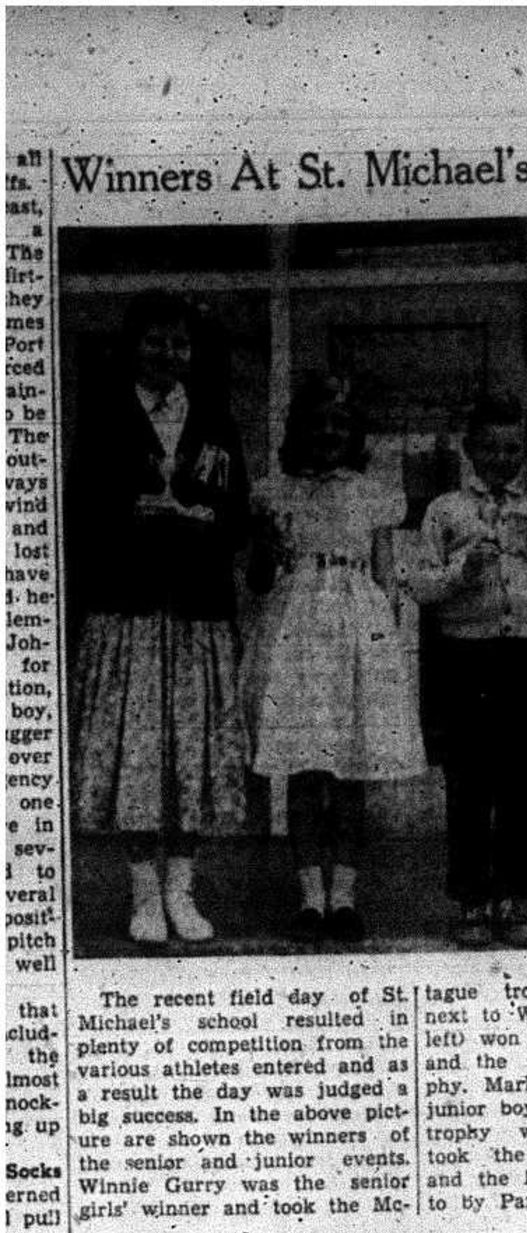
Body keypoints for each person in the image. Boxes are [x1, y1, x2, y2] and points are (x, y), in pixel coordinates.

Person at [68, 292, 249, 945]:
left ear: (192, 353)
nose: (167, 353)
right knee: (139, 754)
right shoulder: (103, 418)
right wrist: (131, 518)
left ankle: (183, 890)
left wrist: (203, 521)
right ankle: (144, 895)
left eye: (178, 343)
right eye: (155, 341)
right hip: (132, 610)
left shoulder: (216, 423)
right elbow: (80, 517)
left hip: (197, 612)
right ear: (132, 348)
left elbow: (237, 517)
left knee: (192, 752)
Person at [241, 374, 427, 944]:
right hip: (296, 630)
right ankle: (309, 899)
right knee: (304, 769)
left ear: (354, 435)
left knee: (348, 773)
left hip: (356, 632)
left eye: (339, 424)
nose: (327, 432)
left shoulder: (371, 493)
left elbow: (385, 575)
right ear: (298, 430)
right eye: (316, 422)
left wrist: (385, 647)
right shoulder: (273, 493)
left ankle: (343, 896)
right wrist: (267, 547)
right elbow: (256, 579)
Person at [407, 394, 527, 948]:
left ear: (526, 450)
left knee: (521, 785)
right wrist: (461, 570)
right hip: (467, 657)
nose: (502, 457)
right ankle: (472, 902)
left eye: (513, 447)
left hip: (525, 655)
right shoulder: (446, 509)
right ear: (470, 449)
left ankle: (513, 897)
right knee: (469, 783)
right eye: (490, 447)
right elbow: (420, 585)